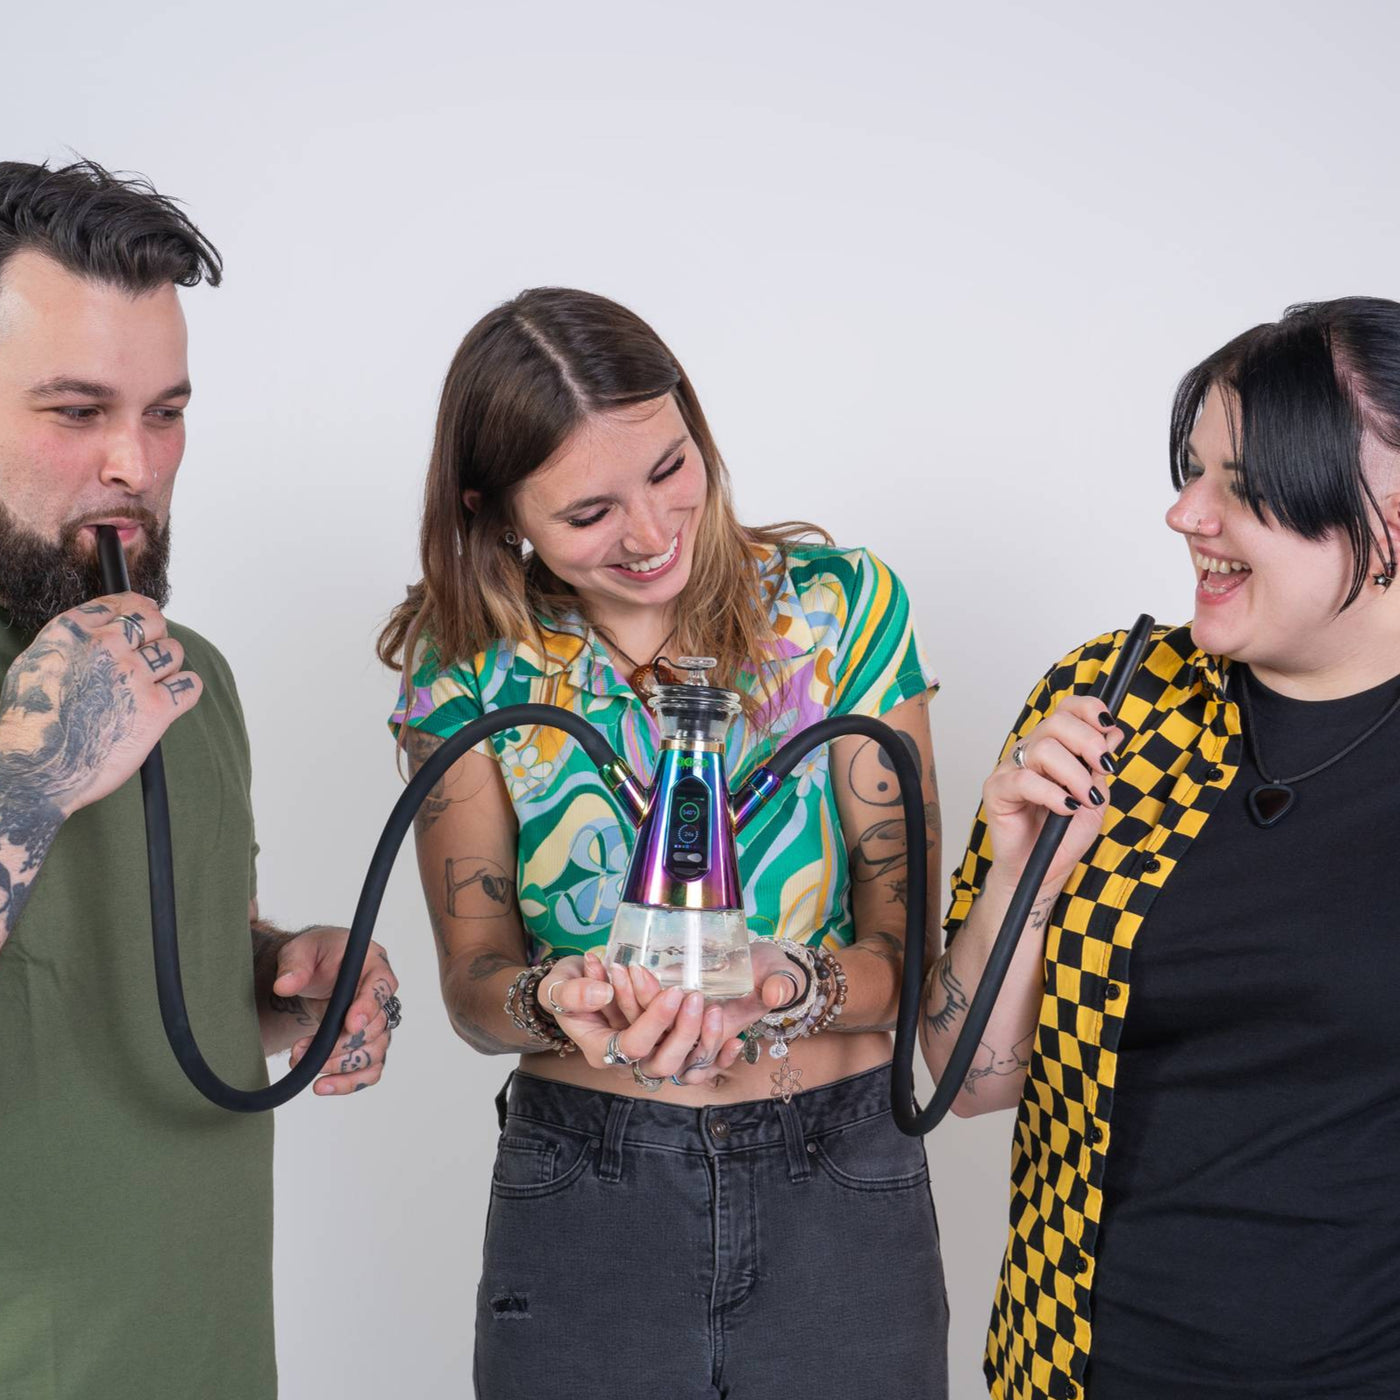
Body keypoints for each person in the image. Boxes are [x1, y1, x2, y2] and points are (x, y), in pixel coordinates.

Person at [380, 286, 947, 1398]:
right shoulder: (464, 664)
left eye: (669, 467)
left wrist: (786, 980)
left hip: (835, 1168)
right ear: (497, 513)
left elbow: (905, 959)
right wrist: (557, 999)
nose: (649, 534)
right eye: (587, 513)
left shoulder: (839, 611)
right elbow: (474, 983)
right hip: (586, 1182)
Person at [924, 296, 1400, 1400]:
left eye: (1243, 484)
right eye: (1192, 467)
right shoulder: (1111, 701)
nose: (1185, 512)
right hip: (1084, 1367)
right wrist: (1017, 875)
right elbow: (963, 1081)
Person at [0, 159, 399, 1400]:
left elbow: (107, 946)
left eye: (165, 411)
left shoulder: (186, 677)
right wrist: (30, 781)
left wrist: (278, 976)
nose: (134, 462)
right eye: (75, 411)